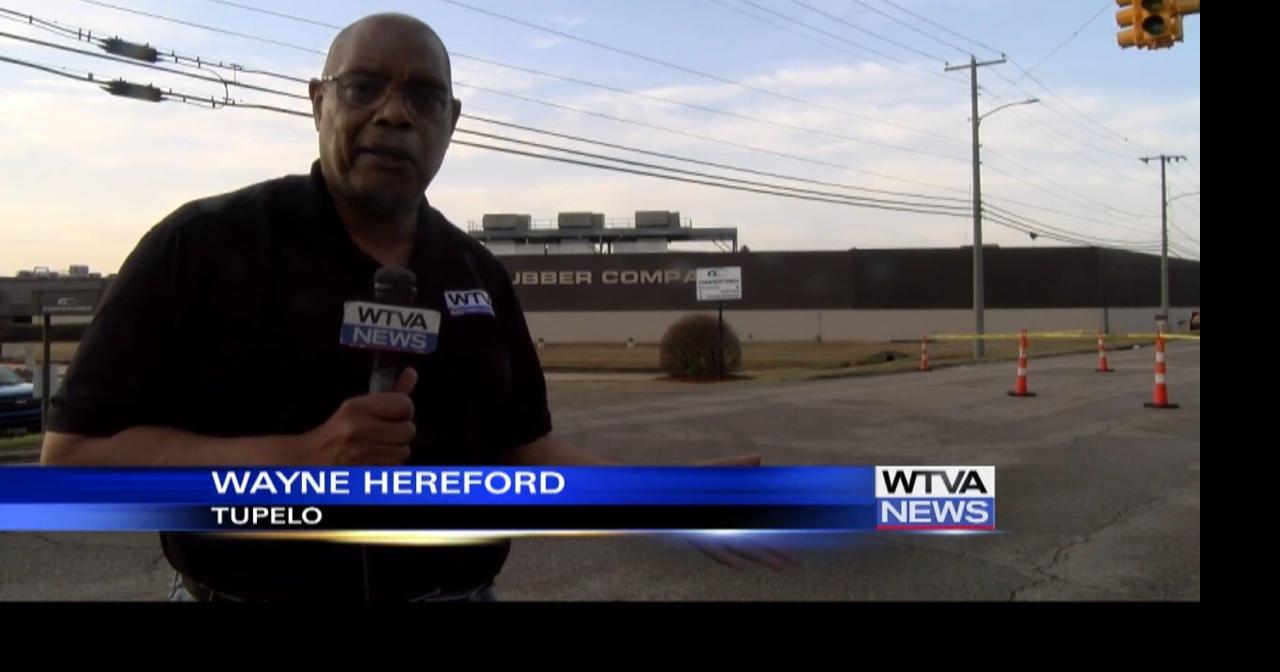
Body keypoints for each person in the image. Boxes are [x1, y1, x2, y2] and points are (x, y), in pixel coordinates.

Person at [41, 12, 791, 602]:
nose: (394, 114)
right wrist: (296, 459)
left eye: (423, 97)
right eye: (363, 87)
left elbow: (523, 451)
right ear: (317, 101)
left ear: (452, 120)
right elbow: (73, 464)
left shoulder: (478, 275)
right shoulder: (201, 247)